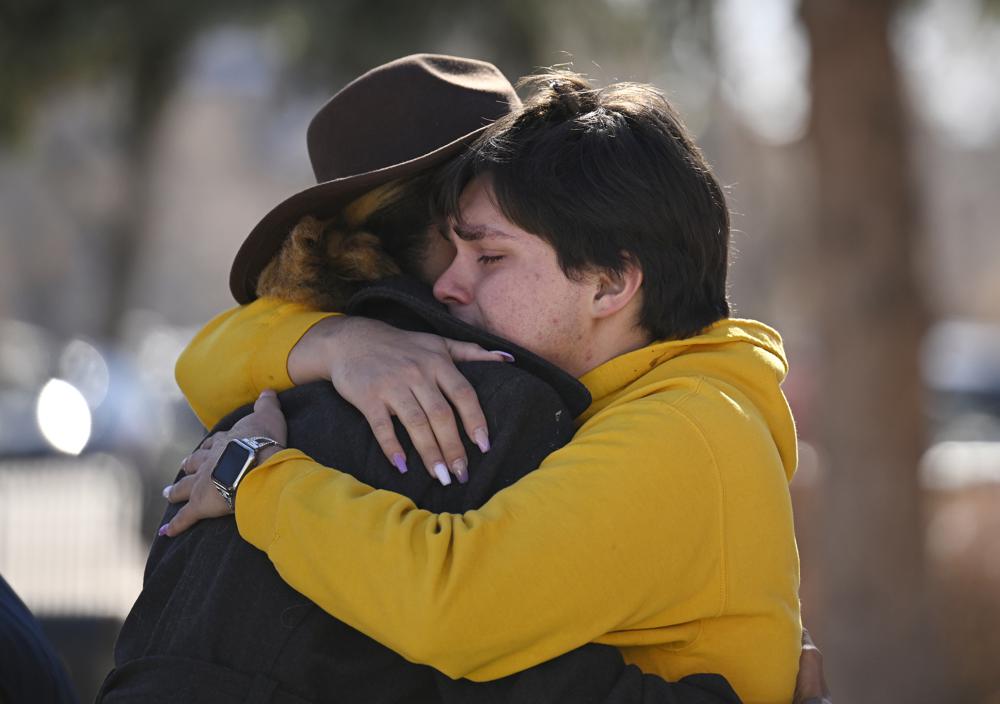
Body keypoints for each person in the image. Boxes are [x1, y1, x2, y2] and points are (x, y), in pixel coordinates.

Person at [99, 55, 741, 703]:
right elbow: (487, 646)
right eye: (488, 237)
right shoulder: (482, 397)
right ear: (454, 220)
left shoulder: (262, 399)